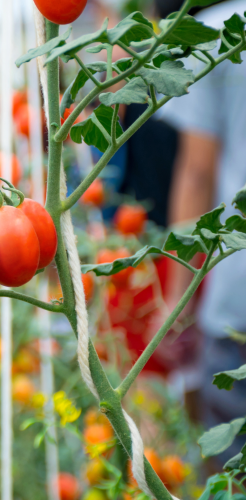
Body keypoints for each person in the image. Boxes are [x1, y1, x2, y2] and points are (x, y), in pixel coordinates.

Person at [157, 0, 246, 462]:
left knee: (232, 470)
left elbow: (197, 175)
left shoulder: (215, 33)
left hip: (239, 304)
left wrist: (177, 303)